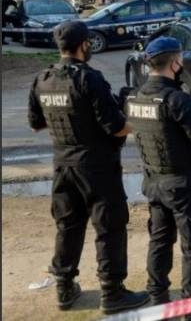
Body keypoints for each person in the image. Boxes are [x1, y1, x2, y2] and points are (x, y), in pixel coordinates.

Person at [27, 20, 149, 314]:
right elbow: (116, 127)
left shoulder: (42, 78)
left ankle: (64, 288)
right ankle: (113, 293)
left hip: (63, 166)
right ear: (84, 45)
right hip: (96, 167)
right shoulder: (89, 78)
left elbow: (36, 124)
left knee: (68, 226)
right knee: (109, 227)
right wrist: (135, 121)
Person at [126, 37, 191, 321]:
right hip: (183, 184)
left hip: (154, 181)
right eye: (180, 60)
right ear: (175, 63)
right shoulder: (176, 99)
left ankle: (158, 301)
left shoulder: (135, 97)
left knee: (159, 241)